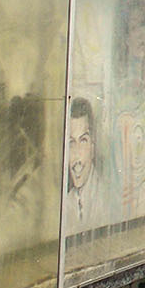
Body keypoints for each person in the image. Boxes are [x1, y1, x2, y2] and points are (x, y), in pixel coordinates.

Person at [64, 97, 104, 232]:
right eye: (71, 143)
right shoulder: (66, 203)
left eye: (83, 141)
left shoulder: (106, 197)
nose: (76, 156)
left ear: (93, 147)